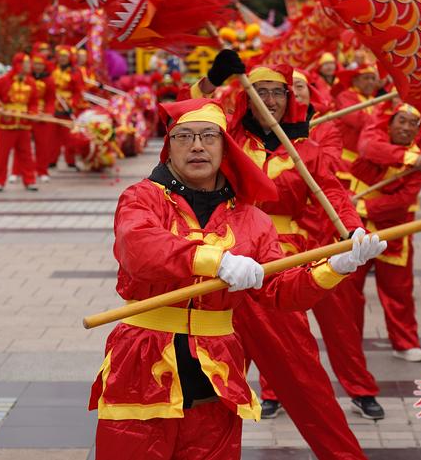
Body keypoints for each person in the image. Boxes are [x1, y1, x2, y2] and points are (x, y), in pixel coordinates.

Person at [92, 97, 385, 459]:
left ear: (225, 146)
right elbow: (137, 246)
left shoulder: (251, 219)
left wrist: (335, 267)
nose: (197, 145)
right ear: (168, 147)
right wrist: (215, 261)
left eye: (208, 136)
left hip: (216, 373)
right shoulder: (142, 198)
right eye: (184, 136)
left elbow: (280, 291)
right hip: (143, 366)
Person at [193, 50, 385, 440]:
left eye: (277, 92)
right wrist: (212, 80)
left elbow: (333, 192)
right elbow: (191, 116)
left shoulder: (307, 151)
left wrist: (353, 231)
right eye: (260, 91)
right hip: (227, 259)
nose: (270, 100)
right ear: (247, 98)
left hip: (288, 261)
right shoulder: (229, 141)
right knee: (215, 369)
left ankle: (348, 407)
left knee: (299, 360)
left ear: (289, 98)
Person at [343, 104, 421, 361]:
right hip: (356, 225)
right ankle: (349, 343)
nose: (406, 127)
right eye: (401, 121)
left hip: (393, 227)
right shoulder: (376, 135)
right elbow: (368, 149)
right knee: (349, 287)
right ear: (390, 123)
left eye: (412, 124)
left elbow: (402, 200)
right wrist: (406, 158)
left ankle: (405, 343)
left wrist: (363, 206)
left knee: (398, 289)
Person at [0, 53, 39, 192]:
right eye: (26, 63)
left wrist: (33, 113)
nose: (29, 66)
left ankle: (30, 180)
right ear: (18, 65)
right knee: (2, 154)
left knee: (26, 154)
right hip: (6, 123)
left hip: (23, 123)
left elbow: (34, 102)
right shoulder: (4, 80)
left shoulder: (31, 82)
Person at [30, 55, 57, 183]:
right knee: (22, 145)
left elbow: (50, 100)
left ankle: (42, 170)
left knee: (43, 144)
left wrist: (48, 113)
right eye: (35, 64)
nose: (38, 67)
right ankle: (18, 171)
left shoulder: (49, 80)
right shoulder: (27, 78)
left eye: (40, 64)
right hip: (27, 113)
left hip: (43, 115)